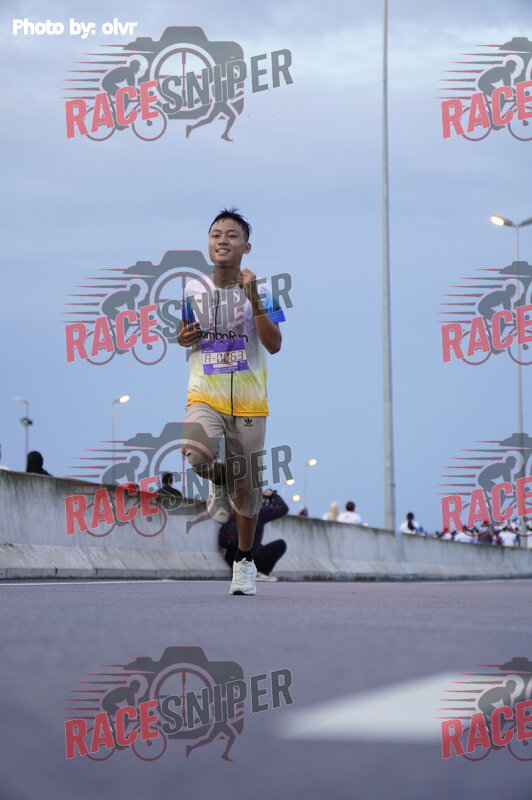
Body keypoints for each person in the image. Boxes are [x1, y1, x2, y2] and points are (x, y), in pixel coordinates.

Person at [178, 208, 285, 596]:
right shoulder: (192, 290)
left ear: (246, 247)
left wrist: (254, 299)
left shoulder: (265, 289)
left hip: (250, 404)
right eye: (216, 234)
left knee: (248, 491)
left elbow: (274, 344)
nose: (222, 240)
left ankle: (243, 562)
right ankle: (218, 481)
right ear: (209, 243)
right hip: (205, 393)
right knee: (196, 453)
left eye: (232, 235)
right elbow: (185, 334)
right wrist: (183, 337)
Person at [219, 489, 288, 581]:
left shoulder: (233, 513)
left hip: (231, 559)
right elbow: (283, 508)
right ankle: (260, 572)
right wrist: (274, 495)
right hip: (250, 560)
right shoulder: (258, 512)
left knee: (257, 545)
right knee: (280, 544)